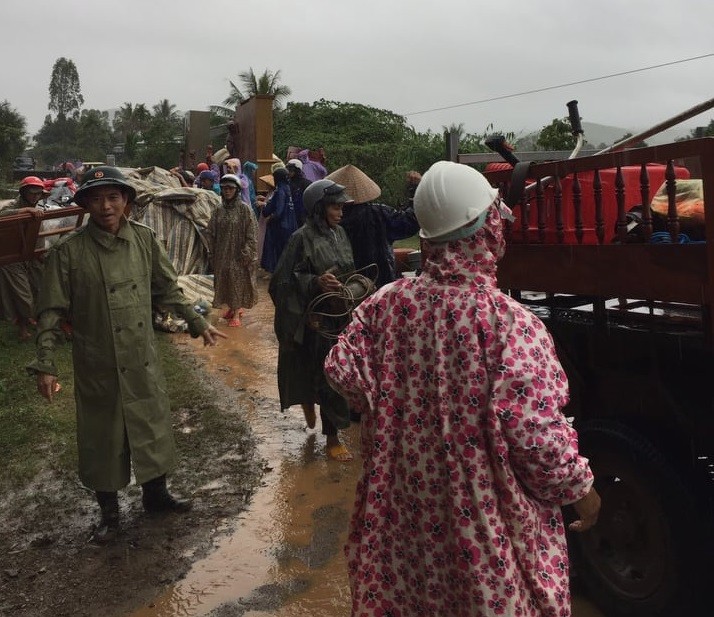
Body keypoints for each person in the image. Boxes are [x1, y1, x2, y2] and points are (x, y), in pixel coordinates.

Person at [324, 161, 601, 616]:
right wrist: (582, 489)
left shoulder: (383, 306)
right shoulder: (511, 325)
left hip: (404, 522)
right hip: (483, 535)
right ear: (487, 230)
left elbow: (343, 372)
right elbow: (536, 439)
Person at [27, 166, 227, 542]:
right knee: (103, 435)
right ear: (85, 204)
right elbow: (50, 312)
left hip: (141, 356)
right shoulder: (68, 253)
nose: (106, 206)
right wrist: (46, 364)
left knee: (150, 423)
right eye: (97, 198)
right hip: (97, 360)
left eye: (113, 197)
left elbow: (168, 288)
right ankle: (109, 513)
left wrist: (197, 323)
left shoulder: (144, 240)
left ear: (126, 201)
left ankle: (156, 495)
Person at [268, 179, 356, 461]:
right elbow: (281, 282)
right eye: (334, 206)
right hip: (313, 321)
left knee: (335, 376)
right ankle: (328, 431)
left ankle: (328, 426)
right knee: (319, 375)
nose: (340, 211)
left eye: (342, 206)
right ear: (319, 208)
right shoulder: (300, 238)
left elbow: (348, 269)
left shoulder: (340, 233)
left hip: (339, 317)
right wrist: (315, 282)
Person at [326, 164, 420, 288]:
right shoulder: (378, 213)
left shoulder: (328, 217)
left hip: (346, 289)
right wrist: (415, 190)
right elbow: (410, 223)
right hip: (380, 283)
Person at [207, 174, 259, 327]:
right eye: (224, 189)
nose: (227, 191)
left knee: (237, 282)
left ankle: (236, 313)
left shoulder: (244, 210)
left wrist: (247, 252)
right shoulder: (218, 210)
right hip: (222, 254)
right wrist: (212, 251)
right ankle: (231, 308)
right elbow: (211, 231)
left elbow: (252, 233)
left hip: (239, 254)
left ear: (236, 190)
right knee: (224, 281)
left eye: (230, 188)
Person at [0, 176, 47, 340]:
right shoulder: (14, 206)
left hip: (32, 255)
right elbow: (2, 216)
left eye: (38, 193)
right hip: (13, 258)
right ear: (23, 192)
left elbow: (39, 235)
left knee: (40, 289)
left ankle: (31, 324)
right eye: (32, 193)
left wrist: (41, 253)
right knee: (23, 296)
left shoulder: (39, 206)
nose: (35, 196)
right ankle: (23, 327)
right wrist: (23, 211)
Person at [260, 166, 297, 273]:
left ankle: (277, 274)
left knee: (276, 252)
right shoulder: (288, 189)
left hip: (279, 227)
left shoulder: (279, 190)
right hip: (291, 225)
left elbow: (278, 210)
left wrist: (271, 217)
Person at [285, 158, 311, 226]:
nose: (289, 172)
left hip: (302, 215)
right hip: (289, 214)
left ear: (297, 171)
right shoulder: (286, 183)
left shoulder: (306, 183)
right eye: (287, 170)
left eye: (291, 170)